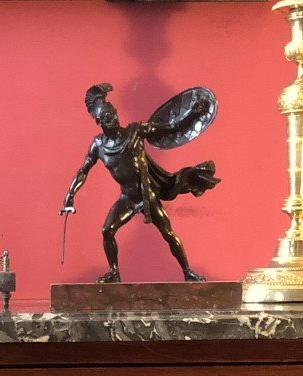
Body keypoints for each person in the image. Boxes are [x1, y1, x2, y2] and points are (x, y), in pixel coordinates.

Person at [61, 82, 218, 284]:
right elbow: (83, 171)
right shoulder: (98, 145)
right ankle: (114, 273)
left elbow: (171, 127)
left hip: (146, 195)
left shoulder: (135, 131)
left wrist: (191, 113)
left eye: (114, 113)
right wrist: (70, 196)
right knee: (107, 231)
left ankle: (188, 271)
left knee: (168, 234)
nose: (114, 118)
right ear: (99, 121)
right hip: (127, 198)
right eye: (108, 117)